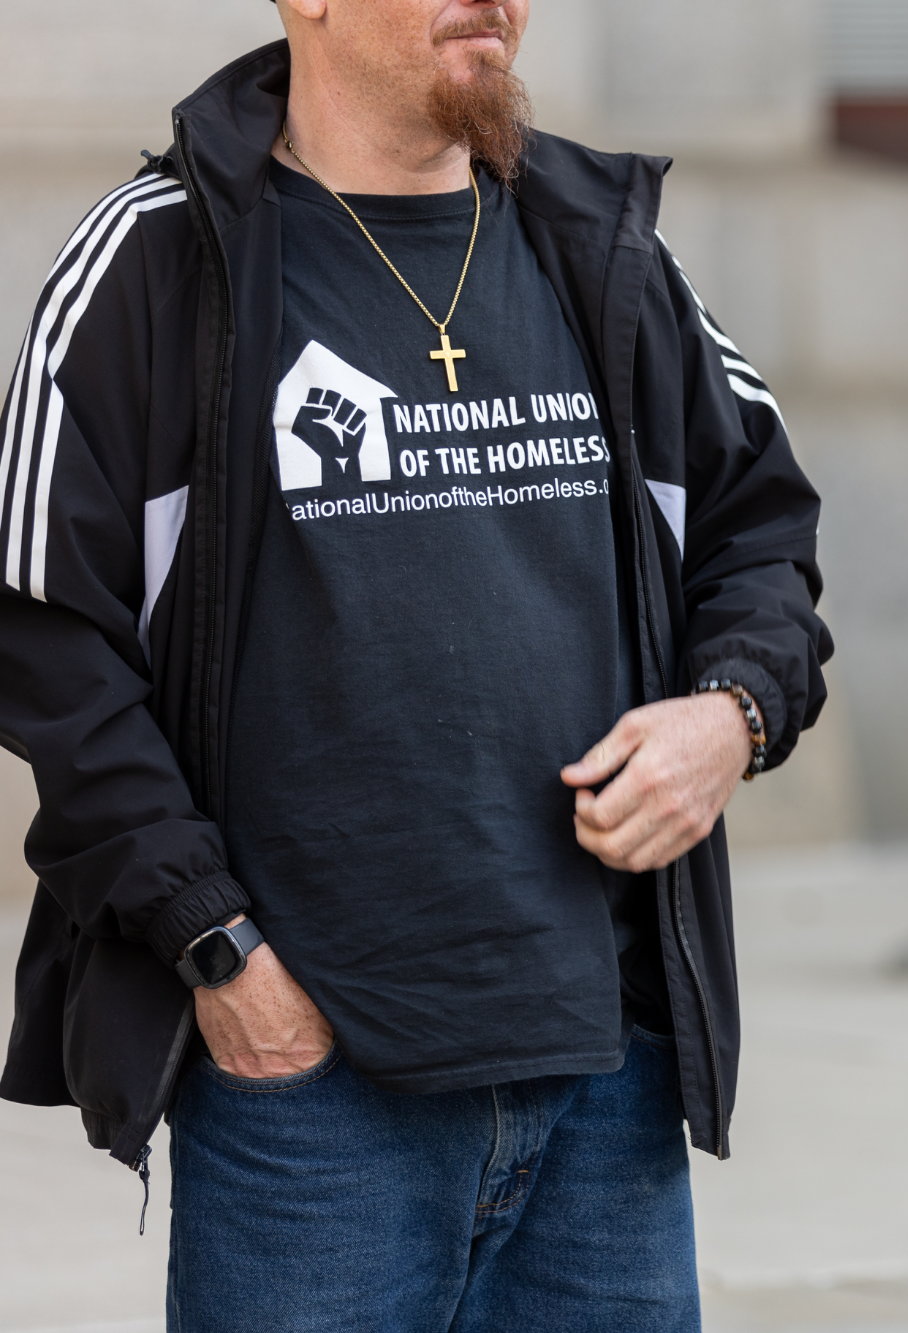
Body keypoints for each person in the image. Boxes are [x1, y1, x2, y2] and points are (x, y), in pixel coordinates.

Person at [0, 1, 832, 1327]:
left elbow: (762, 534)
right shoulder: (158, 262)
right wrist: (220, 955)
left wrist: (729, 715)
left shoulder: (600, 248)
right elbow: (48, 646)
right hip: (310, 1100)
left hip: (601, 1080)